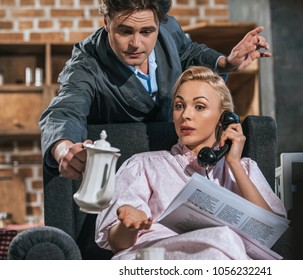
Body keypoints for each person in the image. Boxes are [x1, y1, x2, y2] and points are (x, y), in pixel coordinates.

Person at [39, 0, 272, 181]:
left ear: (159, 24)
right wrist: (64, 149)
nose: (136, 44)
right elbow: (64, 111)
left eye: (147, 32)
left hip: (181, 162)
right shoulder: (86, 64)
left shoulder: (168, 28)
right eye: (125, 31)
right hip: (126, 172)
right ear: (106, 21)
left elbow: (187, 52)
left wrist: (225, 63)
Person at [95, 66, 287, 260]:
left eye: (199, 106)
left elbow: (272, 236)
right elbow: (117, 244)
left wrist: (234, 164)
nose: (185, 115)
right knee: (222, 238)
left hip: (226, 261)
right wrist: (127, 225)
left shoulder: (244, 168)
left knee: (223, 241)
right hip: (156, 260)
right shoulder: (143, 166)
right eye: (179, 106)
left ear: (224, 119)